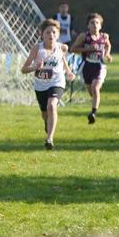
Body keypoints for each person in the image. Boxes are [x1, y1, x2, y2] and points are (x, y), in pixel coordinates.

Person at [21, 17, 74, 150]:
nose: (51, 35)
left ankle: (49, 139)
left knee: (52, 106)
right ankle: (47, 122)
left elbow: (63, 59)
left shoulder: (62, 47)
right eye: (47, 32)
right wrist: (35, 67)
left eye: (54, 32)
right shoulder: (37, 49)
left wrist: (68, 72)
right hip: (40, 85)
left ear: (58, 34)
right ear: (42, 35)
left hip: (57, 81)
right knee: (45, 113)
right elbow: (24, 69)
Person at [68, 12, 110, 123]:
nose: (95, 25)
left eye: (97, 23)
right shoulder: (84, 36)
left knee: (95, 88)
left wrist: (107, 54)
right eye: (92, 23)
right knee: (91, 91)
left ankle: (93, 113)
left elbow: (108, 45)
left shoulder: (104, 36)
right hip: (86, 66)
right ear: (88, 25)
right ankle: (95, 101)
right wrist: (88, 49)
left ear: (100, 25)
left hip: (99, 66)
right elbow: (73, 49)